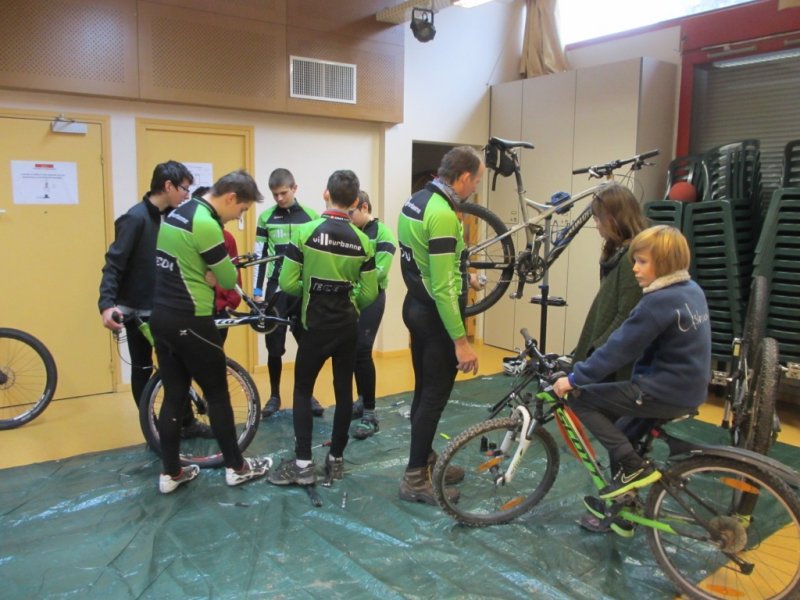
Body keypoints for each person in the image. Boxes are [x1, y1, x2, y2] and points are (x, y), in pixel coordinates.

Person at [553, 225, 711, 530]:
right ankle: (624, 509)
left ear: (664, 263)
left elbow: (618, 350)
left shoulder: (656, 302)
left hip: (662, 390)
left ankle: (634, 468)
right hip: (688, 388)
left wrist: (575, 378)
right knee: (622, 434)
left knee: (581, 400)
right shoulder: (690, 290)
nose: (635, 268)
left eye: (642, 262)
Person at [150, 170, 272, 493]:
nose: (238, 218)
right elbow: (229, 280)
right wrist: (214, 276)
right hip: (191, 319)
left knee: (174, 396)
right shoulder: (206, 224)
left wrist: (210, 274)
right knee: (217, 393)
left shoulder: (177, 213)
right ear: (231, 198)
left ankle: (170, 474)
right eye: (242, 211)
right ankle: (237, 467)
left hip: (160, 316)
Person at [267, 170, 378, 487]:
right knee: (344, 392)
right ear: (355, 202)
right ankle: (336, 461)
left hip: (314, 327)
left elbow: (288, 283)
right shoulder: (363, 242)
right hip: (346, 327)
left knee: (303, 390)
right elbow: (369, 293)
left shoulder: (305, 232)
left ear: (326, 194)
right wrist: (351, 301)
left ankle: (303, 464)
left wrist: (311, 289)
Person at [397, 146, 484, 505]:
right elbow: (445, 289)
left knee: (423, 390)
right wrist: (460, 340)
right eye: (476, 181)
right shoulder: (444, 214)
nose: (475, 188)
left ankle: (426, 458)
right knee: (434, 396)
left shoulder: (416, 200)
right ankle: (415, 478)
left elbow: (430, 262)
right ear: (462, 177)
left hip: (415, 307)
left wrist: (469, 273)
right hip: (435, 317)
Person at [98, 161, 210, 437]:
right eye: (184, 188)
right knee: (143, 367)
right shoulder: (135, 219)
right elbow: (114, 264)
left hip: (165, 306)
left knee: (175, 366)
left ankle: (185, 424)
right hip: (136, 309)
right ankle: (154, 430)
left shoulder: (171, 217)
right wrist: (106, 304)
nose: (187, 194)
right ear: (168, 186)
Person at [252, 169, 324, 418]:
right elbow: (259, 256)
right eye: (275, 195)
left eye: (283, 193)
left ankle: (307, 394)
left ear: (295, 188)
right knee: (274, 347)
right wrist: (258, 293)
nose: (280, 198)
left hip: (303, 290)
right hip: (276, 291)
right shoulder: (265, 218)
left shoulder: (312, 217)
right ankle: (274, 396)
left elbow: (317, 257)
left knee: (307, 345)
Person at [572, 182, 649, 383]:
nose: (596, 224)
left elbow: (626, 314)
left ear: (613, 219)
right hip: (605, 351)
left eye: (598, 219)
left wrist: (597, 350)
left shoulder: (631, 258)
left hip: (613, 361)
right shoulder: (618, 252)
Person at [348, 190, 397, 439]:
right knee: (352, 351)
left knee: (363, 349)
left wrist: (354, 287)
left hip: (371, 298)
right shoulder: (350, 232)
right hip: (350, 298)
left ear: (364, 208)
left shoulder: (383, 233)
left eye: (351, 212)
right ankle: (360, 399)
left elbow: (378, 273)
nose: (347, 217)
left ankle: (370, 413)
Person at [192, 185, 243, 346]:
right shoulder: (188, 235)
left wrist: (230, 304)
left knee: (216, 355)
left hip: (220, 310)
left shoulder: (227, 238)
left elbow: (234, 275)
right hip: (194, 310)